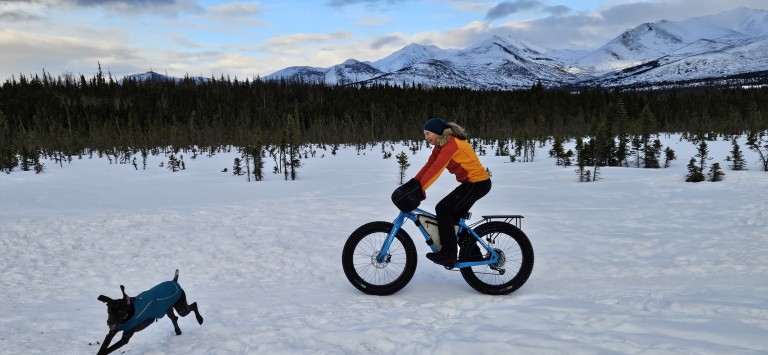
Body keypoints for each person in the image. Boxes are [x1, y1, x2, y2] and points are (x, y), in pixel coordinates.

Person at [414, 118, 491, 267]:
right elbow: (429, 166)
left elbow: (436, 169)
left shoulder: (452, 144)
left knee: (443, 209)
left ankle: (448, 254)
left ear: (437, 132)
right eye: (424, 134)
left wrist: (420, 189)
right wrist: (413, 184)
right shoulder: (440, 146)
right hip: (472, 184)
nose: (425, 137)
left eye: (428, 133)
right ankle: (473, 256)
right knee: (454, 220)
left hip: (477, 183)